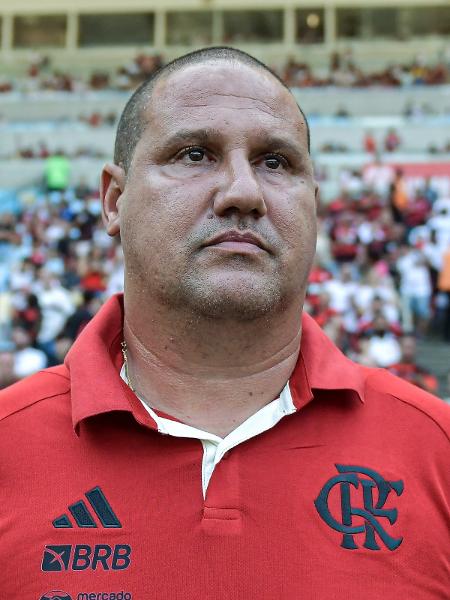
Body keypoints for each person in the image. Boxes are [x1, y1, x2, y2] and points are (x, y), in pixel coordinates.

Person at [0, 47, 448, 599]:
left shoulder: (436, 449)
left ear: (313, 204)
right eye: (194, 154)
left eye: (276, 162)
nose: (243, 193)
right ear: (114, 201)